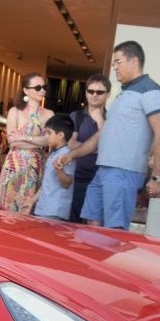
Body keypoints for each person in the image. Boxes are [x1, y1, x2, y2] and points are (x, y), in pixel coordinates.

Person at [65, 41, 160, 229]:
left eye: (118, 62)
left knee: (115, 228)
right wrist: (71, 155)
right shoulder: (123, 94)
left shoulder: (150, 90)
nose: (114, 67)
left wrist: (157, 177)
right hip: (103, 168)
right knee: (91, 221)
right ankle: (94, 258)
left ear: (134, 61)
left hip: (123, 171)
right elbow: (102, 135)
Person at [0, 73, 56, 214]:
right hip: (14, 169)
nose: (42, 90)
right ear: (26, 90)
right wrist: (40, 143)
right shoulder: (15, 111)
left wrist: (24, 137)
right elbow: (12, 142)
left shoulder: (49, 114)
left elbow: (50, 140)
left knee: (28, 212)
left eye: (44, 87)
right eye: (37, 87)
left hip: (36, 169)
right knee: (8, 212)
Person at [65, 73, 110, 222]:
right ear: (86, 93)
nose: (94, 95)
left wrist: (99, 121)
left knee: (94, 229)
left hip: (101, 180)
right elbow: (71, 144)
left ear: (108, 94)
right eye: (91, 91)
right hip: (77, 179)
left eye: (99, 92)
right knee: (71, 227)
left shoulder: (112, 118)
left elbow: (109, 146)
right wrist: (97, 148)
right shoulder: (76, 116)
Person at [31, 114, 76, 220]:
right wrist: (31, 202)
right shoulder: (54, 154)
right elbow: (46, 183)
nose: (47, 136)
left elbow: (67, 183)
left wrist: (59, 169)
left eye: (49, 133)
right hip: (43, 209)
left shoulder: (66, 155)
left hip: (54, 211)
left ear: (60, 135)